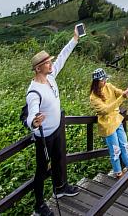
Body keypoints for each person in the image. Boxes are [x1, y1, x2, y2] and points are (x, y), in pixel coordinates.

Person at [25, 29, 81, 216]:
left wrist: (74, 39)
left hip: (56, 129)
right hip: (44, 137)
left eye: (49, 61)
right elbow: (31, 114)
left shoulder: (50, 77)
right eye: (47, 63)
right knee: (41, 170)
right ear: (38, 68)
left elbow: (62, 58)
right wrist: (34, 122)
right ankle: (39, 205)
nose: (51, 64)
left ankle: (60, 188)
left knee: (58, 159)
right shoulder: (34, 91)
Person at [88, 68, 128, 180]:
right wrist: (122, 97)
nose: (105, 81)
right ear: (96, 81)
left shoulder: (109, 86)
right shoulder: (93, 97)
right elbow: (105, 110)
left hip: (117, 120)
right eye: (102, 80)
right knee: (115, 150)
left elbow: (120, 93)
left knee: (125, 146)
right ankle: (118, 173)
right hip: (107, 126)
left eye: (105, 79)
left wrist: (126, 92)